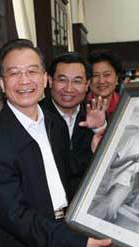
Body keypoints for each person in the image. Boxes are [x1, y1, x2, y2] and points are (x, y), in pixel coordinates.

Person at [0, 39, 111, 247]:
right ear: (2, 83)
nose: (24, 81)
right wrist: (71, 242)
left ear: (44, 79)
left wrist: (92, 152)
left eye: (32, 71)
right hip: (28, 243)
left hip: (65, 227)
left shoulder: (53, 123)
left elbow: (64, 171)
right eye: (14, 73)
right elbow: (14, 215)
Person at [40, 52, 107, 190]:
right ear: (50, 81)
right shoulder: (36, 116)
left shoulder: (95, 116)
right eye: (62, 80)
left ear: (87, 84)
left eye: (77, 81)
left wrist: (99, 129)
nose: (69, 89)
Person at [89, 111, 139, 222]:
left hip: (135, 180)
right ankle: (126, 202)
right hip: (122, 181)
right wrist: (131, 158)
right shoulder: (133, 138)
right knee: (110, 211)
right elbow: (113, 165)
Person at [87, 49, 122, 121]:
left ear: (117, 79)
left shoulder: (125, 105)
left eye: (107, 75)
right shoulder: (79, 107)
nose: (101, 81)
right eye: (95, 75)